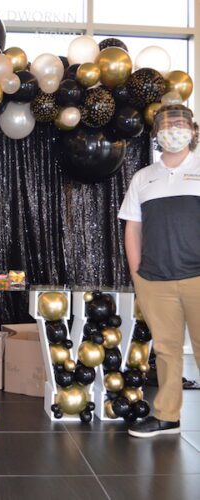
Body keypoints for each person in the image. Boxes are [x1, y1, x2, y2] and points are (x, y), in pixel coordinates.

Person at [118, 104, 200, 438]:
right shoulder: (143, 178)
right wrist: (138, 275)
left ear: (193, 131)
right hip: (155, 280)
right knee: (166, 352)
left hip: (197, 277)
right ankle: (168, 416)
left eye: (180, 124)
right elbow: (132, 228)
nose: (173, 131)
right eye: (166, 126)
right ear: (156, 135)